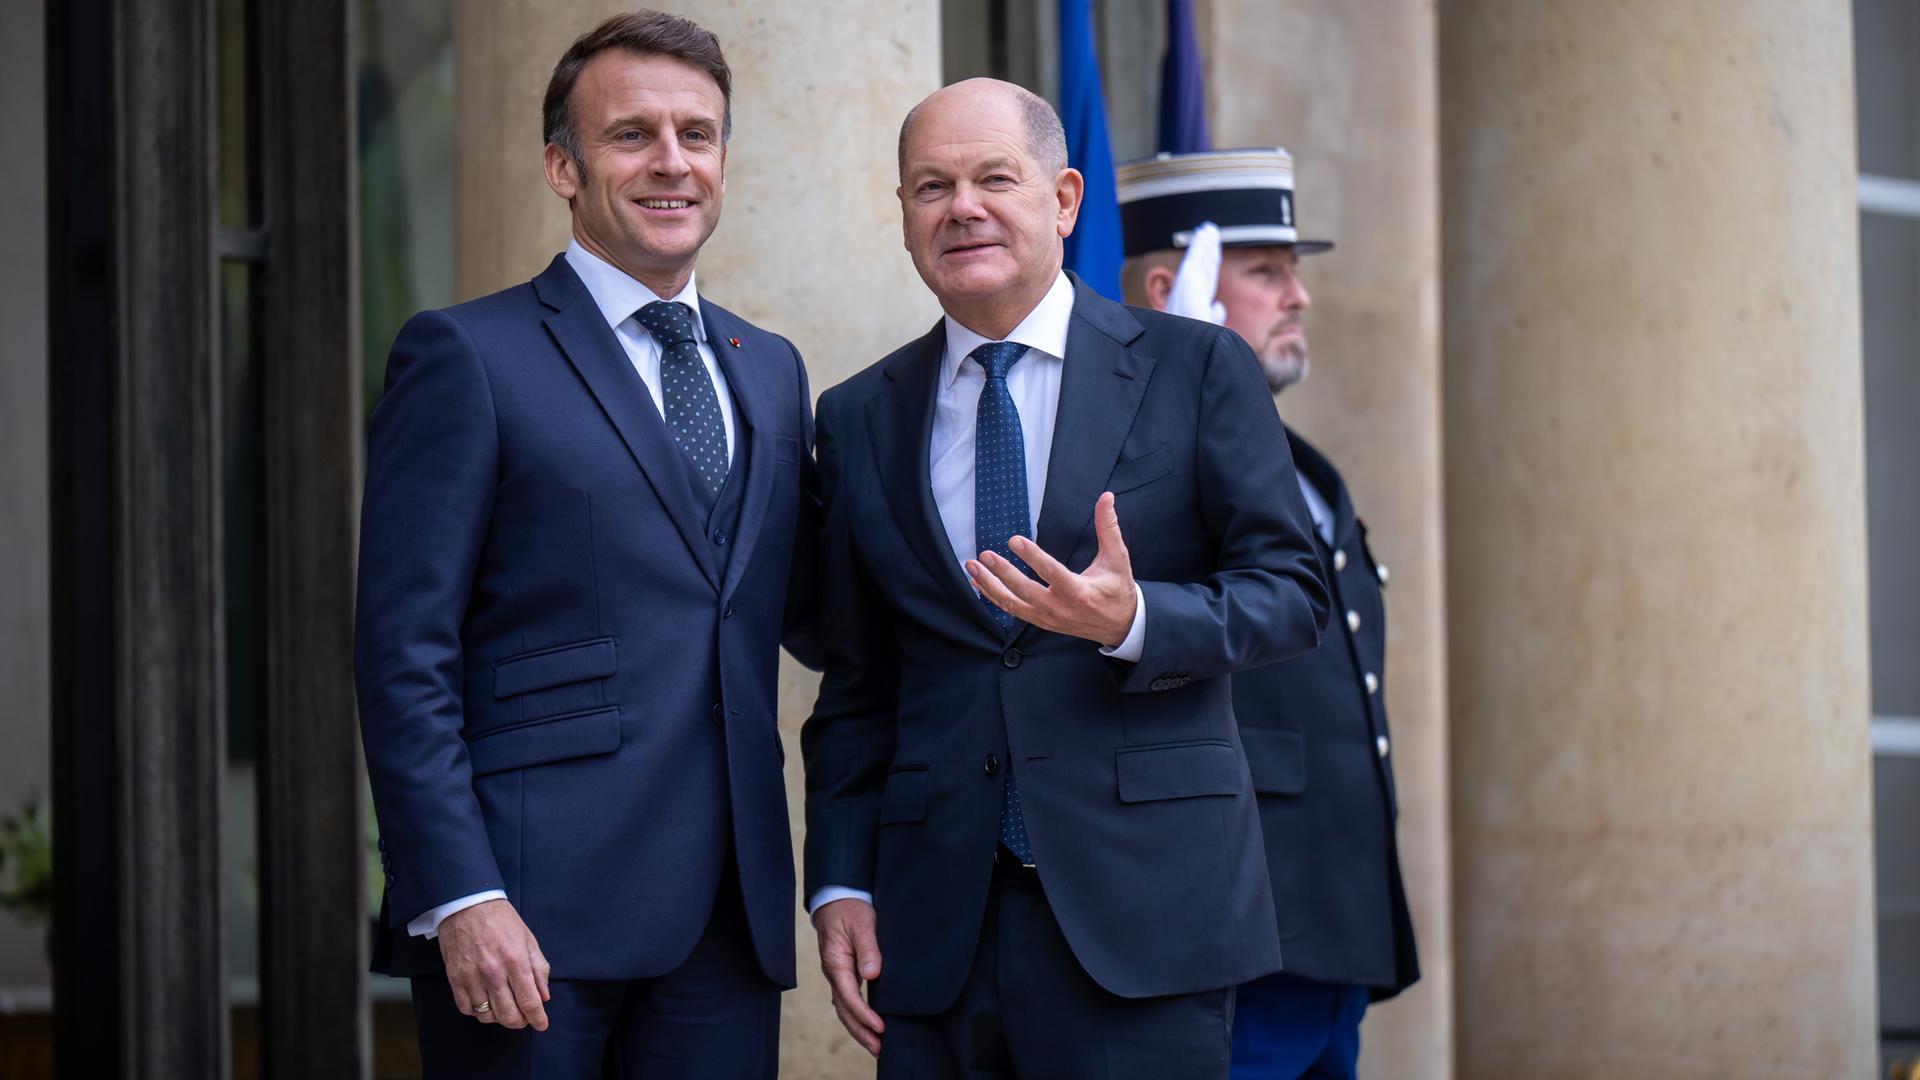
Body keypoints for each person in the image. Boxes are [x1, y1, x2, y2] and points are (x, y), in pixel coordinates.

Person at [801, 79, 1331, 1079]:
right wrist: (838, 882)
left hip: (1147, 920)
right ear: (905, 215)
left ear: (1064, 199)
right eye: (932, 187)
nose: (962, 208)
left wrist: (1135, 620)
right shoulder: (859, 415)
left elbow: (1294, 592)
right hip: (933, 933)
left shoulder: (1196, 367)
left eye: (994, 179)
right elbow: (860, 685)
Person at [354, 11, 819, 1077]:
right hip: (526, 919)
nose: (672, 163)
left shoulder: (770, 368)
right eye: (632, 135)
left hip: (728, 919)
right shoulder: (464, 356)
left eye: (697, 135)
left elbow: (808, 609)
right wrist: (459, 893)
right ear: (563, 167)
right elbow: (403, 654)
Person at [1117, 147, 1420, 1079]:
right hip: (1240, 928)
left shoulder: (1300, 467)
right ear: (1172, 290)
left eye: (1294, 271)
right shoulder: (1145, 454)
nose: (1300, 296)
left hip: (1333, 929)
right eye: (1264, 272)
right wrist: (1176, 378)